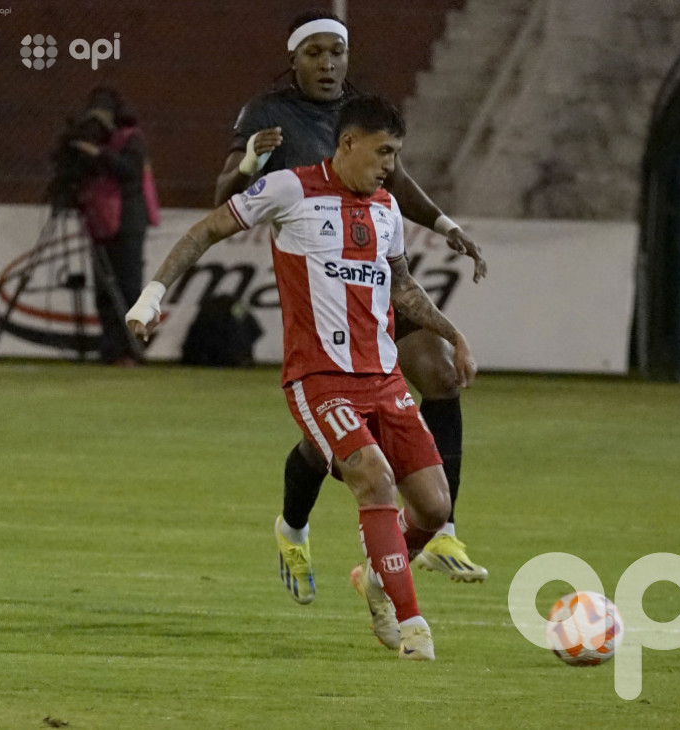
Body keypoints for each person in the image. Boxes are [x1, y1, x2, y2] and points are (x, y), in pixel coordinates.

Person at [126, 95, 477, 660]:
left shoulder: (387, 208)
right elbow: (208, 229)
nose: (390, 164)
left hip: (385, 378)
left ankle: (375, 576)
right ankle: (412, 624)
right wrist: (152, 295)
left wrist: (453, 333)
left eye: (396, 153)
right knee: (375, 479)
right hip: (320, 380)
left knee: (435, 510)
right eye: (384, 151)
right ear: (348, 144)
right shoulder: (290, 188)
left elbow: (404, 288)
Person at [215, 9, 488, 604]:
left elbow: (397, 179)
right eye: (313, 52)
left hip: (375, 269)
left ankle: (442, 528)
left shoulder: (361, 110)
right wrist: (248, 164)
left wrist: (445, 224)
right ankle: (292, 526)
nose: (327, 63)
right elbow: (224, 201)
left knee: (441, 375)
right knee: (327, 445)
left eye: (335, 51)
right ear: (294, 59)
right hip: (319, 285)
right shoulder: (266, 114)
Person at [64, 87, 154, 365]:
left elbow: (130, 173)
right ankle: (111, 347)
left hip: (127, 221)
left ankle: (131, 349)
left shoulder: (131, 140)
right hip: (101, 221)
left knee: (126, 287)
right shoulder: (98, 142)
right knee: (104, 288)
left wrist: (98, 154)